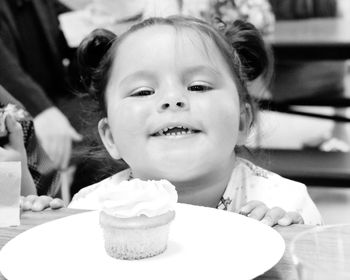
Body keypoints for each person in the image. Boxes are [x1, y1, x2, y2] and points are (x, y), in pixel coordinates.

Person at [65, 16, 322, 226]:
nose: (173, 99)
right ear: (110, 137)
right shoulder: (89, 213)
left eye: (198, 86)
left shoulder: (284, 204)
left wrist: (288, 242)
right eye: (143, 91)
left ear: (243, 122)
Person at [0, 0, 82, 170]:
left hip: (57, 102)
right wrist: (42, 110)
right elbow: (6, 69)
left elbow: (73, 39)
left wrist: (94, 33)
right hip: (15, 121)